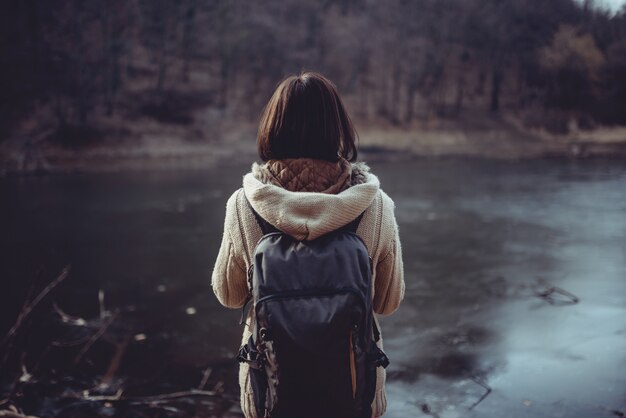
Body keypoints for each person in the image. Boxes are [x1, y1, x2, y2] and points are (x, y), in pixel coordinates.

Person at [211, 71, 404, 418]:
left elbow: (229, 295)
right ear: (338, 128)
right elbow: (388, 302)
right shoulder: (376, 206)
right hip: (354, 390)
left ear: (272, 127)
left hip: (269, 391)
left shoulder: (243, 205)